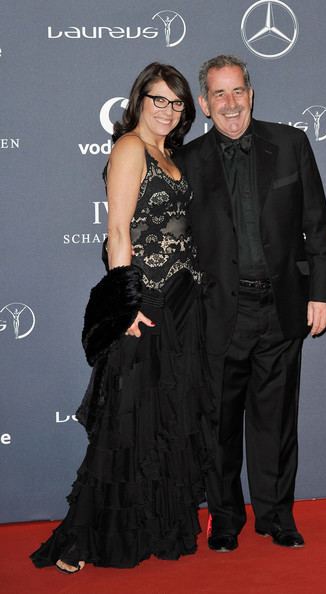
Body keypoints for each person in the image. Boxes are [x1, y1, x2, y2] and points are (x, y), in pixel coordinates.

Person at [30, 62, 215, 573]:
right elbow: (117, 230)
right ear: (139, 100)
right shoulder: (131, 148)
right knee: (127, 420)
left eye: (176, 103)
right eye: (158, 99)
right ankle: (84, 539)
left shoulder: (167, 152)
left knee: (167, 419)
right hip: (148, 301)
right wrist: (125, 303)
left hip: (182, 301)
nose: (167, 110)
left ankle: (158, 523)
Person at [175, 55, 326, 552]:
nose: (230, 103)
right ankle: (225, 519)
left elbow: (318, 224)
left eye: (238, 91)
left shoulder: (290, 144)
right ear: (204, 103)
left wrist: (322, 293)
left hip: (281, 308)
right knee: (219, 426)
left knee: (276, 422)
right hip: (217, 312)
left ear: (251, 93)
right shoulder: (184, 161)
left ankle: (276, 516)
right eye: (218, 94)